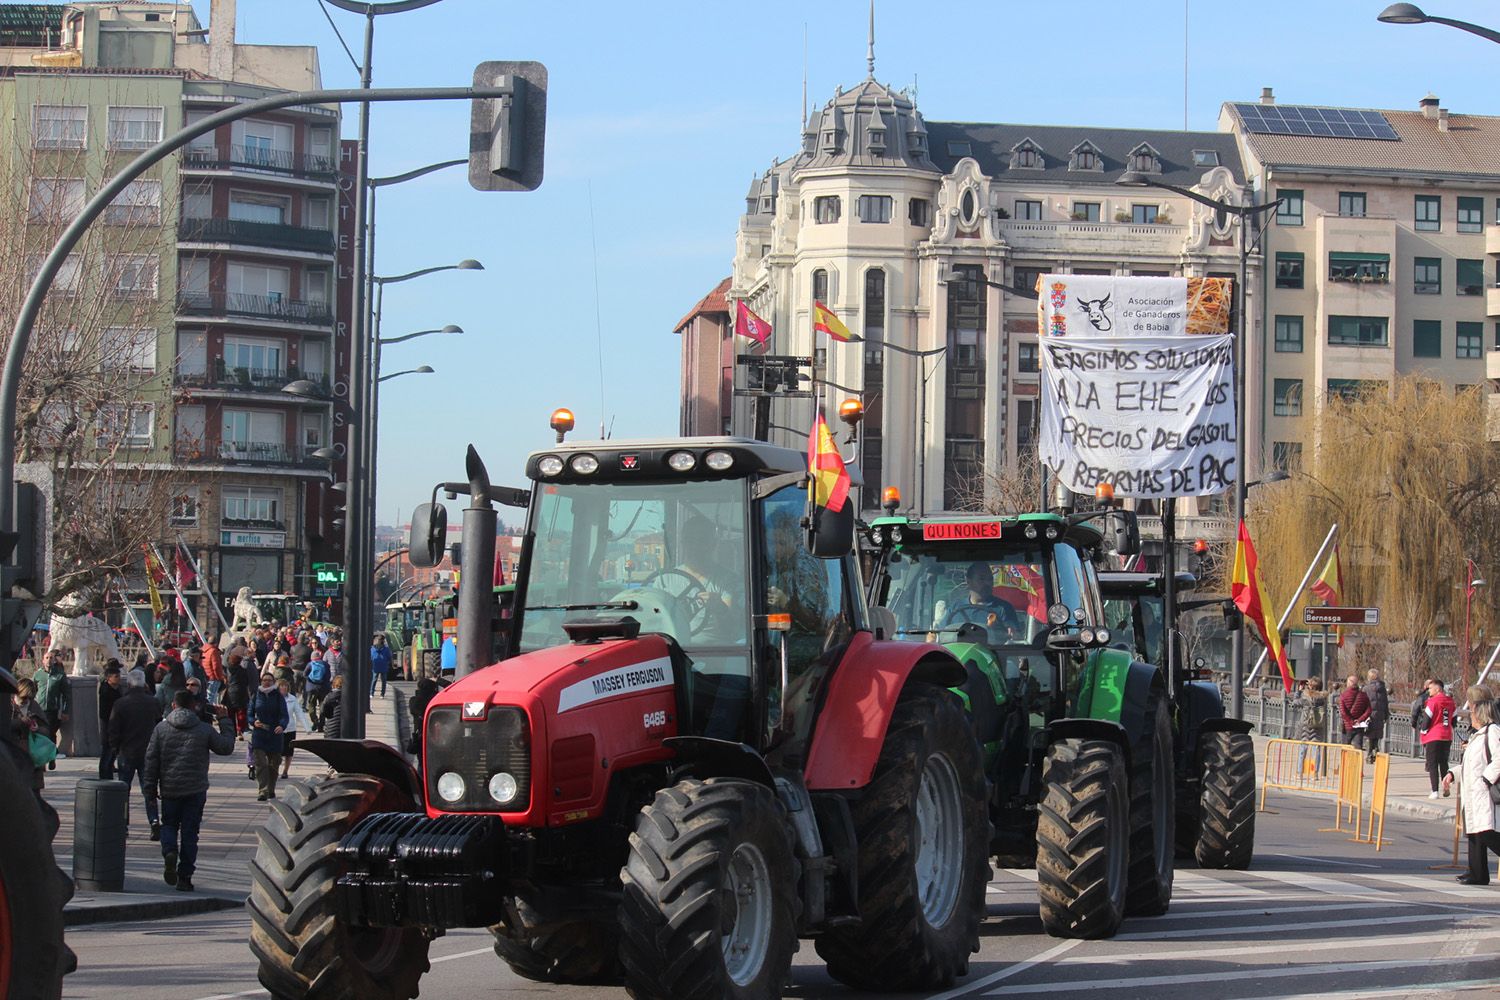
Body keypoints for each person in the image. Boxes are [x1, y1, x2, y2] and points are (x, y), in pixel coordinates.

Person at [143, 689, 235, 892]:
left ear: (173, 705)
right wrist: (225, 720)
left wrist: (149, 789)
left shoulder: (161, 729)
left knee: (169, 825)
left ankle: (169, 851)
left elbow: (151, 760)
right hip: (195, 789)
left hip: (169, 788)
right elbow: (226, 747)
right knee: (190, 833)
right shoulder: (203, 729)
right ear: (194, 707)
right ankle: (185, 876)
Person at [1443, 687, 1500, 885]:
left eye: (1473, 711)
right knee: (1475, 833)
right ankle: (1477, 873)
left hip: (1484, 792)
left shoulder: (1492, 731)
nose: (1470, 715)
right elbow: (1469, 765)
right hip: (1474, 792)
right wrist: (1452, 773)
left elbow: (1499, 759)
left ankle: (1477, 873)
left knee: (1487, 833)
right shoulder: (1479, 735)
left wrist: (1487, 779)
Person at [108, 669, 162, 840]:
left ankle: (123, 825)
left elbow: (113, 729)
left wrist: (115, 748)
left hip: (127, 751)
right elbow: (158, 725)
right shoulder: (152, 702)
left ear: (129, 683)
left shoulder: (121, 704)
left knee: (124, 791)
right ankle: (154, 820)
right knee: (149, 789)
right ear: (144, 683)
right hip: (148, 752)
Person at [939, 561, 1021, 641]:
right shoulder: (955, 608)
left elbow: (1014, 637)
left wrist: (1012, 634)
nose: (987, 583)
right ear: (968, 581)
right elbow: (940, 635)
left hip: (992, 653)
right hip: (958, 654)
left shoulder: (1004, 608)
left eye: (990, 579)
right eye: (981, 579)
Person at [248, 671, 289, 802]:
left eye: (269, 680)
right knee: (261, 764)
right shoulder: (256, 695)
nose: (267, 682)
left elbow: (285, 715)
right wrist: (253, 721)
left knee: (273, 765)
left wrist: (282, 726)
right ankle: (263, 791)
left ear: (273, 682)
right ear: (261, 681)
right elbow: (249, 713)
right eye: (264, 680)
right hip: (259, 733)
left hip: (274, 734)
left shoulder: (278, 696)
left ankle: (271, 789)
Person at [32, 651, 70, 766]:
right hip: (39, 709)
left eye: (51, 658)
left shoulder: (60, 675)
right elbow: (32, 691)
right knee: (40, 733)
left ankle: (52, 757)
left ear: (54, 660)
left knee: (51, 733)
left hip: (53, 709)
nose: (49, 660)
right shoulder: (38, 675)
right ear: (43, 660)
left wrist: (65, 711)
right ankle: (42, 758)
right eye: (46, 657)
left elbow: (66, 695)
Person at [1421, 677, 1457, 799]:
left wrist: (1423, 731)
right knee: (1443, 762)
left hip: (1433, 735)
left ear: (1437, 689)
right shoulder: (1450, 702)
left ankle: (1435, 790)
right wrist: (1446, 724)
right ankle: (1446, 786)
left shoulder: (1432, 702)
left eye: (1430, 688)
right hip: (1447, 736)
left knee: (1432, 763)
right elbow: (1453, 720)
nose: (1428, 691)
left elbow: (1426, 720)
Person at [10, 678, 48, 791]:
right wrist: (20, 722)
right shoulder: (8, 706)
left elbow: (46, 729)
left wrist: (38, 728)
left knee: (35, 794)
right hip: (14, 756)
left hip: (33, 757)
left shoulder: (34, 706)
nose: (26, 701)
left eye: (29, 698)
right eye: (24, 698)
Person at [278, 677, 311, 780]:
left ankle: (285, 771)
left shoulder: (292, 699)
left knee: (289, 752)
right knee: (277, 751)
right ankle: (275, 769)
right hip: (278, 728)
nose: (283, 689)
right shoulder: (275, 699)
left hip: (290, 728)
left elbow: (299, 713)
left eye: (285, 687)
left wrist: (307, 727)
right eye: (281, 687)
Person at [1297, 678, 1329, 780]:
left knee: (1303, 749)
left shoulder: (1306, 696)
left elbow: (1295, 702)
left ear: (1311, 686)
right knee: (1316, 749)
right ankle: (1315, 773)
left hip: (1306, 725)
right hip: (1318, 725)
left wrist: (1299, 691)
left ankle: (1300, 773)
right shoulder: (1323, 697)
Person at [96, 662, 123, 779]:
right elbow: (105, 712)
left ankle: (108, 773)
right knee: (107, 752)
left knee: (111, 753)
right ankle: (104, 775)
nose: (119, 678)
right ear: (108, 678)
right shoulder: (106, 691)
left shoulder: (116, 689)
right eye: (116, 676)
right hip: (108, 725)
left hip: (115, 726)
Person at [1362, 668, 1390, 762]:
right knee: (1377, 734)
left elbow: (1362, 703)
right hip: (1380, 715)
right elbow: (1386, 703)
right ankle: (1375, 750)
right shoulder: (1383, 689)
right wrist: (1386, 715)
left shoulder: (1366, 689)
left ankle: (1369, 753)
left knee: (1369, 734)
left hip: (1369, 715)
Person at [1337, 674, 1372, 748]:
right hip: (1359, 726)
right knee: (1358, 748)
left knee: (1345, 748)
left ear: (1349, 683)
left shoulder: (1343, 695)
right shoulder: (1363, 695)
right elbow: (1369, 710)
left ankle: (1346, 760)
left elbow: (1343, 712)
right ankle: (1356, 760)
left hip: (1347, 726)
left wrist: (1351, 721)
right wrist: (1359, 720)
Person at [304, 651, 331, 727]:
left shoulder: (310, 664)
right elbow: (328, 676)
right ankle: (321, 725)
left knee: (311, 705)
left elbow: (304, 674)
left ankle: (315, 721)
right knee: (322, 705)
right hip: (323, 688)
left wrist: (311, 679)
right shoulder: (325, 664)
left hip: (311, 688)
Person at [201, 638, 225, 706]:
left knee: (208, 697)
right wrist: (220, 678)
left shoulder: (204, 650)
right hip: (213, 677)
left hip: (206, 676)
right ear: (216, 643)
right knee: (211, 698)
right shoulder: (213, 651)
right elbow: (216, 666)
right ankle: (210, 714)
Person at [370, 633, 392, 699]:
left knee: (376, 680)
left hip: (377, 666)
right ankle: (379, 694)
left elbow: (371, 657)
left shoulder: (373, 649)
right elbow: (389, 657)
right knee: (380, 680)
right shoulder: (385, 649)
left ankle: (373, 693)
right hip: (380, 666)